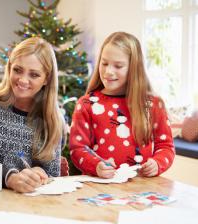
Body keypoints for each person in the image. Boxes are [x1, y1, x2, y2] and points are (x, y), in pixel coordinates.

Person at [0, 37, 65, 193]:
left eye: (34, 75)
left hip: (33, 204)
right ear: (9, 68)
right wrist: (10, 176)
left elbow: (52, 175)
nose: (23, 80)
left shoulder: (53, 119)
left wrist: (40, 174)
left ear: (47, 79)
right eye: (17, 70)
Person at [69, 32, 175, 179]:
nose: (108, 71)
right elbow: (77, 148)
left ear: (134, 69)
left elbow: (166, 147)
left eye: (118, 66)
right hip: (99, 190)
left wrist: (157, 164)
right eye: (104, 63)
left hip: (142, 189)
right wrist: (96, 166)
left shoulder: (153, 104)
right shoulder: (86, 104)